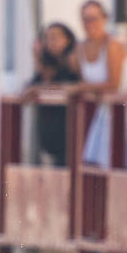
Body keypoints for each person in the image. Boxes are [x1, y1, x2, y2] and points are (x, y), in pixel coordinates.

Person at [75, 0, 127, 167]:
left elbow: (114, 83)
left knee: (121, 160)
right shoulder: (80, 48)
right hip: (105, 110)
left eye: (94, 19)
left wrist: (81, 88)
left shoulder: (113, 45)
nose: (90, 24)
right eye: (86, 19)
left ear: (104, 19)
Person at [24, 21, 79, 166]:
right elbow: (30, 88)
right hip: (54, 146)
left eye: (55, 37)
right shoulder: (48, 66)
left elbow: (70, 85)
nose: (50, 42)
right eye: (46, 38)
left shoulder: (73, 62)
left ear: (68, 39)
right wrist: (38, 58)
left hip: (73, 141)